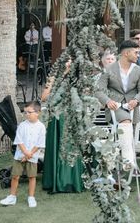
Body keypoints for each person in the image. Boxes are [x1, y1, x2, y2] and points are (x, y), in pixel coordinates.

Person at [96, 40, 140, 171]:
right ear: (126, 53)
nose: (138, 55)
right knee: (125, 122)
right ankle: (128, 160)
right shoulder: (108, 69)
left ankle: (116, 171)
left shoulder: (139, 70)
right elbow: (99, 89)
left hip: (132, 109)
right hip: (115, 108)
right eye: (136, 52)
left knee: (123, 138)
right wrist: (107, 101)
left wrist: (136, 100)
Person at [41, 60, 85, 193]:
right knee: (57, 147)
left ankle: (72, 182)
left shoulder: (79, 79)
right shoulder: (53, 77)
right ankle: (54, 181)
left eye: (72, 62)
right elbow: (44, 97)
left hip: (73, 118)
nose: (69, 64)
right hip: (57, 118)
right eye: (67, 61)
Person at [0, 101, 46, 208]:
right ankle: (12, 197)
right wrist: (25, 153)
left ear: (37, 112)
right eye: (25, 112)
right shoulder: (22, 125)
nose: (27, 115)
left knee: (32, 177)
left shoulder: (41, 127)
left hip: (33, 157)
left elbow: (40, 143)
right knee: (15, 176)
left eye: (29, 112)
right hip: (20, 156)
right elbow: (19, 140)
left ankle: (31, 197)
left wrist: (29, 155)